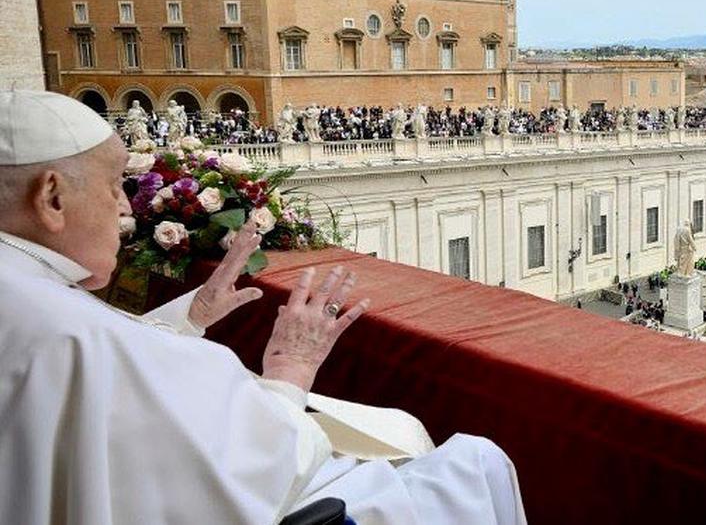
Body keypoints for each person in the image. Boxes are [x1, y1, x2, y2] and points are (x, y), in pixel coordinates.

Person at [0, 91, 525, 525]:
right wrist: (292, 367)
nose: (122, 206)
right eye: (115, 184)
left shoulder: (27, 291)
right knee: (476, 465)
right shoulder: (69, 329)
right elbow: (261, 464)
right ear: (51, 198)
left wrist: (193, 314)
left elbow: (100, 381)